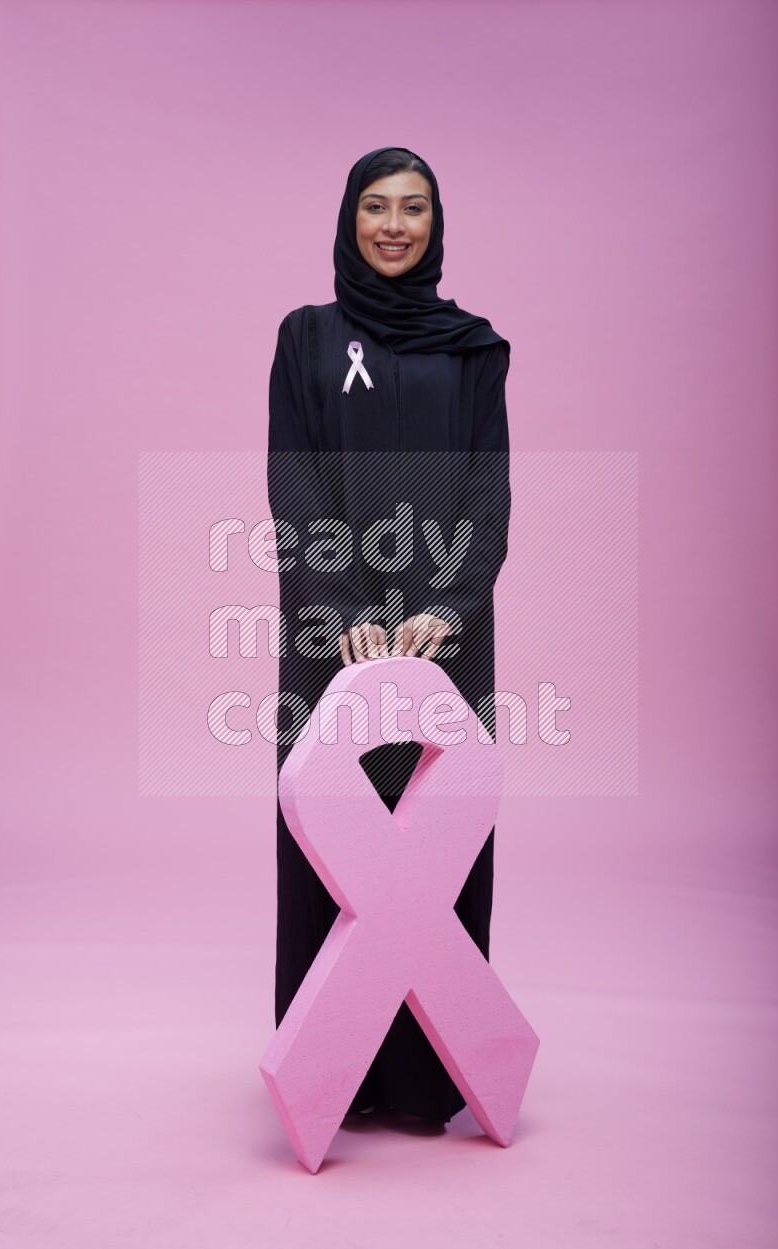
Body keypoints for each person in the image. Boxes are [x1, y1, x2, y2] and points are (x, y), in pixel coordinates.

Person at [267, 146, 511, 1125]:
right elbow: (295, 485)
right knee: (330, 841)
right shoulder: (306, 338)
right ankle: (333, 1079)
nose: (395, 225)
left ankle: (422, 1083)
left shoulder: (472, 348)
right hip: (330, 634)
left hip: (446, 638)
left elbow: (488, 497)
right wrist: (348, 612)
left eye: (413, 208)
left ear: (435, 222)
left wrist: (444, 609)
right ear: (349, 218)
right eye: (376, 206)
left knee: (434, 844)